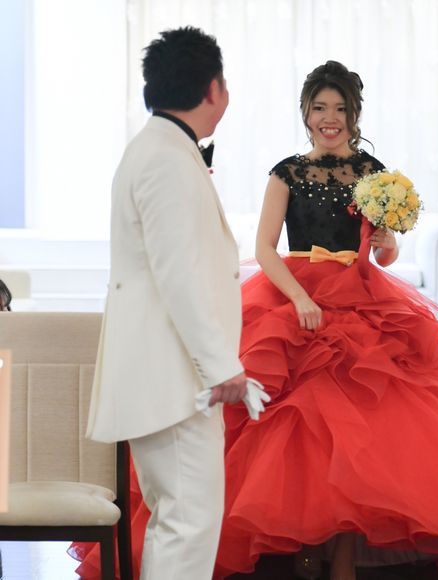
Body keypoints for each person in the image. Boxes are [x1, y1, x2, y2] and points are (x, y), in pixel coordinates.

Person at [212, 61, 438, 579]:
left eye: (340, 109)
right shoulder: (286, 173)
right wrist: (299, 299)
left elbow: (383, 256)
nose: (330, 118)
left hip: (359, 299)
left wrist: (388, 243)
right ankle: (301, 545)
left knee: (360, 438)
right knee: (298, 428)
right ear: (305, 113)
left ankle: (343, 559)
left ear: (354, 115)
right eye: (320, 108)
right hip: (297, 298)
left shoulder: (372, 173)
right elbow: (264, 248)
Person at [81, 26, 247, 580]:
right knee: (188, 521)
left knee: (178, 520)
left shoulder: (160, 148)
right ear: (213, 89)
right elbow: (179, 275)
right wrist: (221, 366)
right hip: (174, 377)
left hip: (167, 374)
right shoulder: (167, 158)